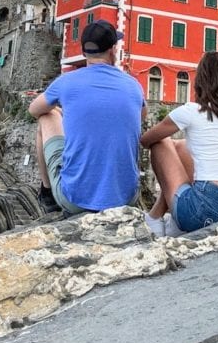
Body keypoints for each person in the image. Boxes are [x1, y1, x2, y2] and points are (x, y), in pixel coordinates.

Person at [28, 19, 145, 216]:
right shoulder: (134, 85)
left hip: (74, 200)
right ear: (113, 50)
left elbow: (34, 110)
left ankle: (48, 193)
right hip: (125, 199)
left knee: (47, 116)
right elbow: (142, 115)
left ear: (84, 53)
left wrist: (63, 112)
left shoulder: (66, 82)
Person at [141, 51, 218, 236]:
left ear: (201, 79)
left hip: (202, 212)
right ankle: (176, 223)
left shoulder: (191, 111)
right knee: (182, 146)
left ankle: (154, 218)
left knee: (162, 142)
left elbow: (146, 140)